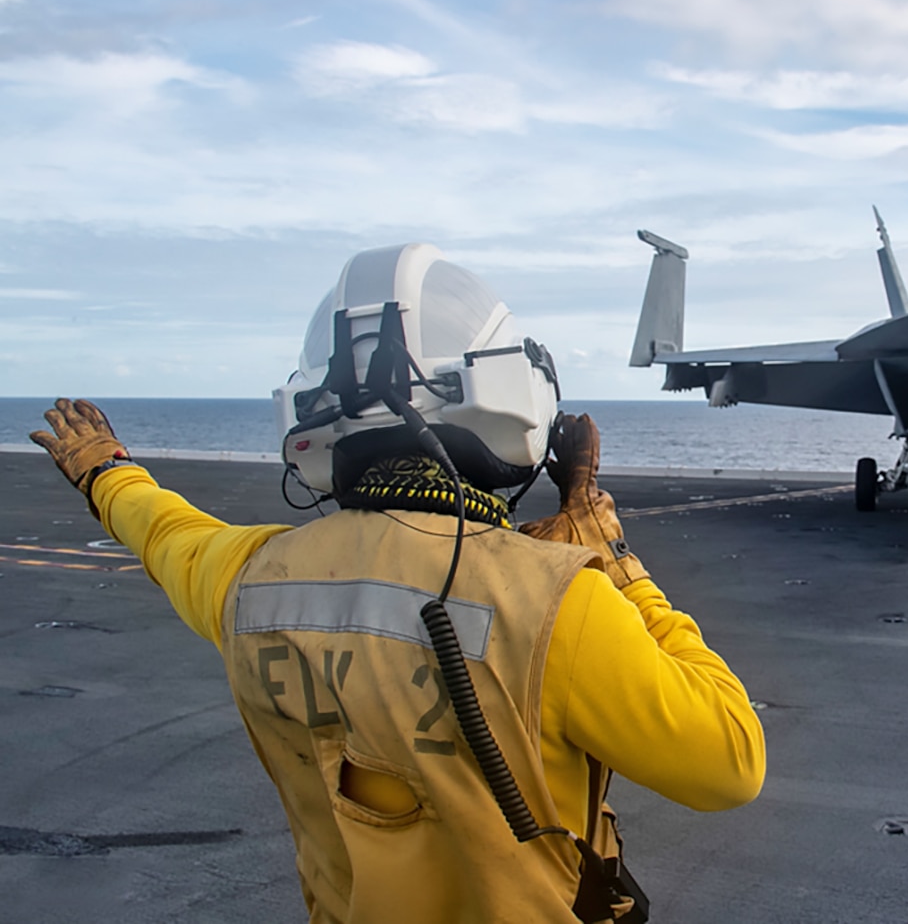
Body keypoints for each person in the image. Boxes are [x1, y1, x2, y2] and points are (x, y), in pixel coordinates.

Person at [29, 244, 765, 924]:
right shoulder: (562, 601)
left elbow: (166, 533)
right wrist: (613, 553)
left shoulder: (250, 579)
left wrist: (105, 470)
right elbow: (729, 761)